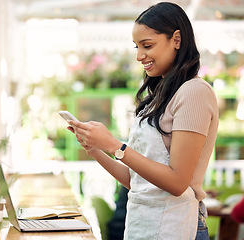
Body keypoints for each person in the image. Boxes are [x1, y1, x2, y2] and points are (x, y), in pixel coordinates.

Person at [67, 2, 219, 239]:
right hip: (146, 225)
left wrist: (114, 145)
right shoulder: (159, 96)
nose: (139, 56)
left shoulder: (195, 92)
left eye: (147, 45)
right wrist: (96, 149)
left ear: (176, 39)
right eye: (137, 47)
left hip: (177, 226)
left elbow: (178, 182)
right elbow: (137, 182)